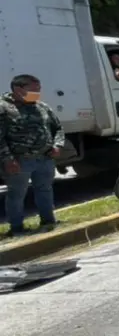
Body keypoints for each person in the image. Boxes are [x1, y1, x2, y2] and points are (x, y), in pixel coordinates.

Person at [1, 74, 63, 235]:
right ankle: (16, 228)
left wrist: (57, 145)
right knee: (16, 195)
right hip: (19, 161)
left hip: (44, 158)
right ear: (18, 88)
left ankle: (48, 221)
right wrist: (8, 159)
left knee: (45, 190)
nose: (38, 92)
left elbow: (58, 128)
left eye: (39, 89)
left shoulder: (42, 106)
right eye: (34, 89)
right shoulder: (4, 108)